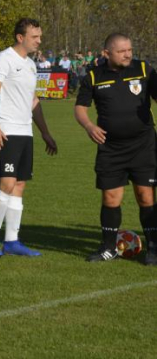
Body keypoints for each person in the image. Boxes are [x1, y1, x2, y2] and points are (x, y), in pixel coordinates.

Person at [74, 33, 157, 264]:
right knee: (111, 197)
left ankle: (153, 247)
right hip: (110, 148)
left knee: (146, 195)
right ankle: (108, 248)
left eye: (130, 49)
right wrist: (89, 126)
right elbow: (80, 107)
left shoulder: (144, 69)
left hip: (144, 145)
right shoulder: (93, 75)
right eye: (122, 51)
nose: (128, 54)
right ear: (106, 53)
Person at [0, 18, 58, 257]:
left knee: (19, 185)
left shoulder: (30, 64)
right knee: (6, 182)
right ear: (20, 37)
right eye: (35, 36)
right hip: (6, 130)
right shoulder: (3, 59)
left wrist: (45, 132)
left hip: (25, 131)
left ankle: (12, 240)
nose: (39, 41)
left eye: (39, 36)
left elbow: (32, 100)